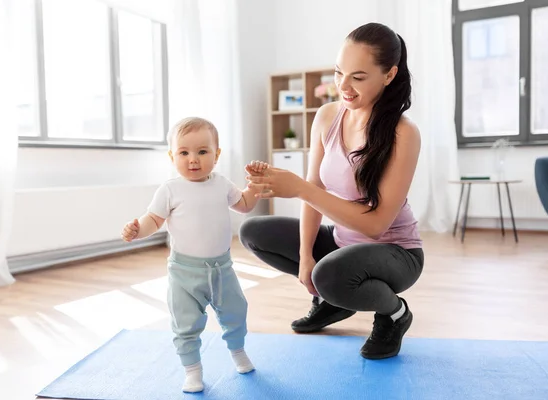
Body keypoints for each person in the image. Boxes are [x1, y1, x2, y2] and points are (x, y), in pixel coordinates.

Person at [240, 22, 424, 360]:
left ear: (388, 75)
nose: (343, 86)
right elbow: (315, 187)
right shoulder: (327, 116)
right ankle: (331, 301)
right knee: (253, 231)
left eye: (358, 77)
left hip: (396, 251)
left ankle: (394, 314)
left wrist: (299, 189)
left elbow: (375, 225)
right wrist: (306, 255)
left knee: (331, 273)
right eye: (339, 72)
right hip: (342, 243)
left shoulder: (403, 133)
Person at [121, 117, 268, 392]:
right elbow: (153, 220)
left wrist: (255, 185)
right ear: (171, 156)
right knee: (185, 323)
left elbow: (245, 205)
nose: (193, 160)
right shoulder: (170, 189)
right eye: (184, 152)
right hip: (184, 273)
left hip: (222, 269)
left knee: (236, 312)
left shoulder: (222, 183)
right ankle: (192, 371)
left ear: (217, 154)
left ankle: (238, 353)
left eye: (202, 152)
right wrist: (137, 230)